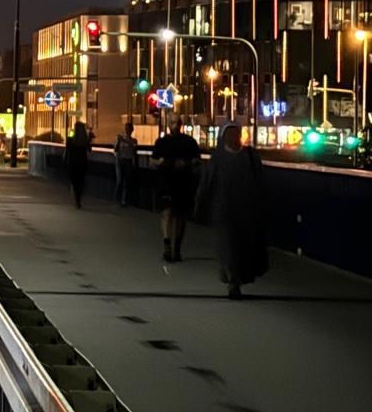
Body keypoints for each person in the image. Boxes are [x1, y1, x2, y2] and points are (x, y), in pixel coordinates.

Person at [194, 124, 269, 299]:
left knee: (243, 246)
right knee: (228, 245)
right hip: (223, 209)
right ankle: (232, 280)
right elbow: (207, 182)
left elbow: (260, 181)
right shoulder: (218, 158)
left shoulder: (250, 156)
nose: (234, 137)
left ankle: (236, 278)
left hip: (246, 210)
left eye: (236, 134)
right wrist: (200, 203)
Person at [151, 118, 202, 264]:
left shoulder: (189, 142)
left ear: (180, 125)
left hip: (183, 183)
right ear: (168, 124)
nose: (174, 125)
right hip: (166, 182)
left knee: (180, 216)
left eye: (176, 123)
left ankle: (177, 248)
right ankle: (167, 246)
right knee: (167, 213)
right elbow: (153, 160)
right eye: (172, 122)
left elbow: (197, 160)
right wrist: (159, 162)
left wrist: (187, 163)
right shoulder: (161, 142)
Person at [65, 120, 93, 208]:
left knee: (74, 181)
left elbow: (67, 148)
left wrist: (65, 158)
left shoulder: (71, 137)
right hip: (82, 162)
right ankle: (78, 199)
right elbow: (89, 149)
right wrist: (89, 139)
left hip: (73, 162)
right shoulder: (85, 139)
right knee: (80, 181)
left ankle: (76, 200)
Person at [114, 121, 139, 206]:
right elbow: (115, 149)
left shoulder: (134, 140)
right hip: (120, 160)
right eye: (126, 129)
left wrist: (125, 141)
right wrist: (118, 141)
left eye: (128, 129)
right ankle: (117, 197)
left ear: (132, 130)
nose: (127, 130)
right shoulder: (120, 138)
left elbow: (134, 150)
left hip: (128, 161)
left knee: (127, 181)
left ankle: (124, 200)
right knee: (120, 180)